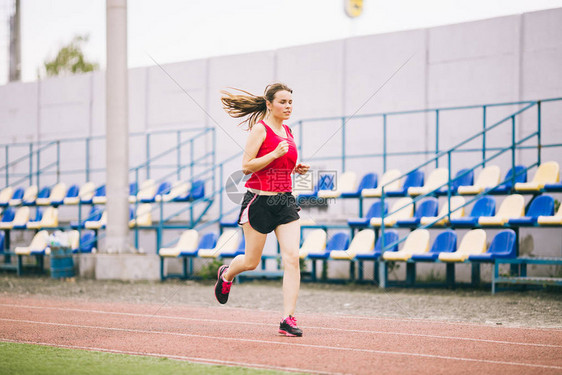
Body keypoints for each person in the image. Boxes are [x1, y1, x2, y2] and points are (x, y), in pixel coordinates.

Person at [215, 83, 310, 337]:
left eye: (290, 102)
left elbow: (279, 165)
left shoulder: (288, 130)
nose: (288, 107)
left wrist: (295, 167)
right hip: (259, 201)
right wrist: (274, 154)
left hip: (285, 202)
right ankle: (226, 274)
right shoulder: (261, 129)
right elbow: (246, 166)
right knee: (251, 262)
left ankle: (287, 319)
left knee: (292, 258)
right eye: (282, 102)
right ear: (269, 104)